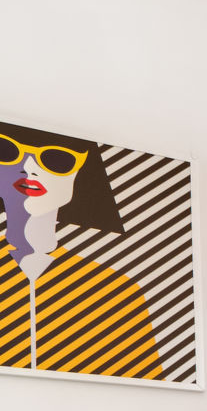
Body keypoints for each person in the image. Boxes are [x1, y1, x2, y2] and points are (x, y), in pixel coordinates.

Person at [0, 120, 163, 380]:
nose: (29, 168)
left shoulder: (117, 293)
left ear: (81, 173)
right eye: (6, 151)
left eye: (56, 160)